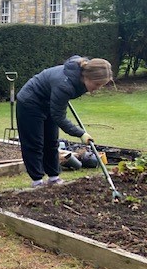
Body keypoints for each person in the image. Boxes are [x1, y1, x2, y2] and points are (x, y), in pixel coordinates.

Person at [15, 55, 113, 188]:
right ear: (87, 76)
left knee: (51, 141)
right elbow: (59, 117)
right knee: (35, 143)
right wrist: (80, 133)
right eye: (96, 84)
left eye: (101, 86)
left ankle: (53, 177)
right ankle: (37, 181)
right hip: (30, 102)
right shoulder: (64, 84)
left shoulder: (80, 75)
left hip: (49, 101)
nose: (97, 88)